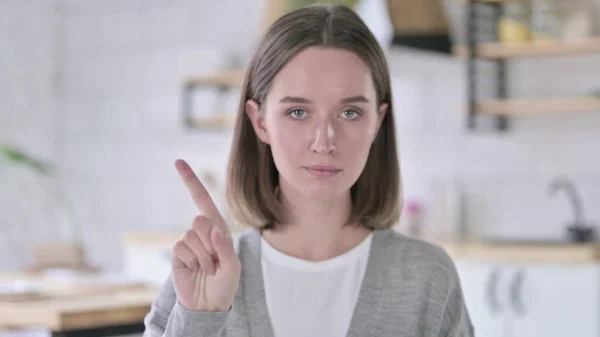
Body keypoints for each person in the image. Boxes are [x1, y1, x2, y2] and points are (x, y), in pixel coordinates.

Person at [143, 4, 474, 337]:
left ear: (378, 121)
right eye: (299, 112)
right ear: (260, 121)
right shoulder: (205, 275)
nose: (324, 141)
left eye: (350, 113)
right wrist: (201, 320)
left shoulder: (426, 278)